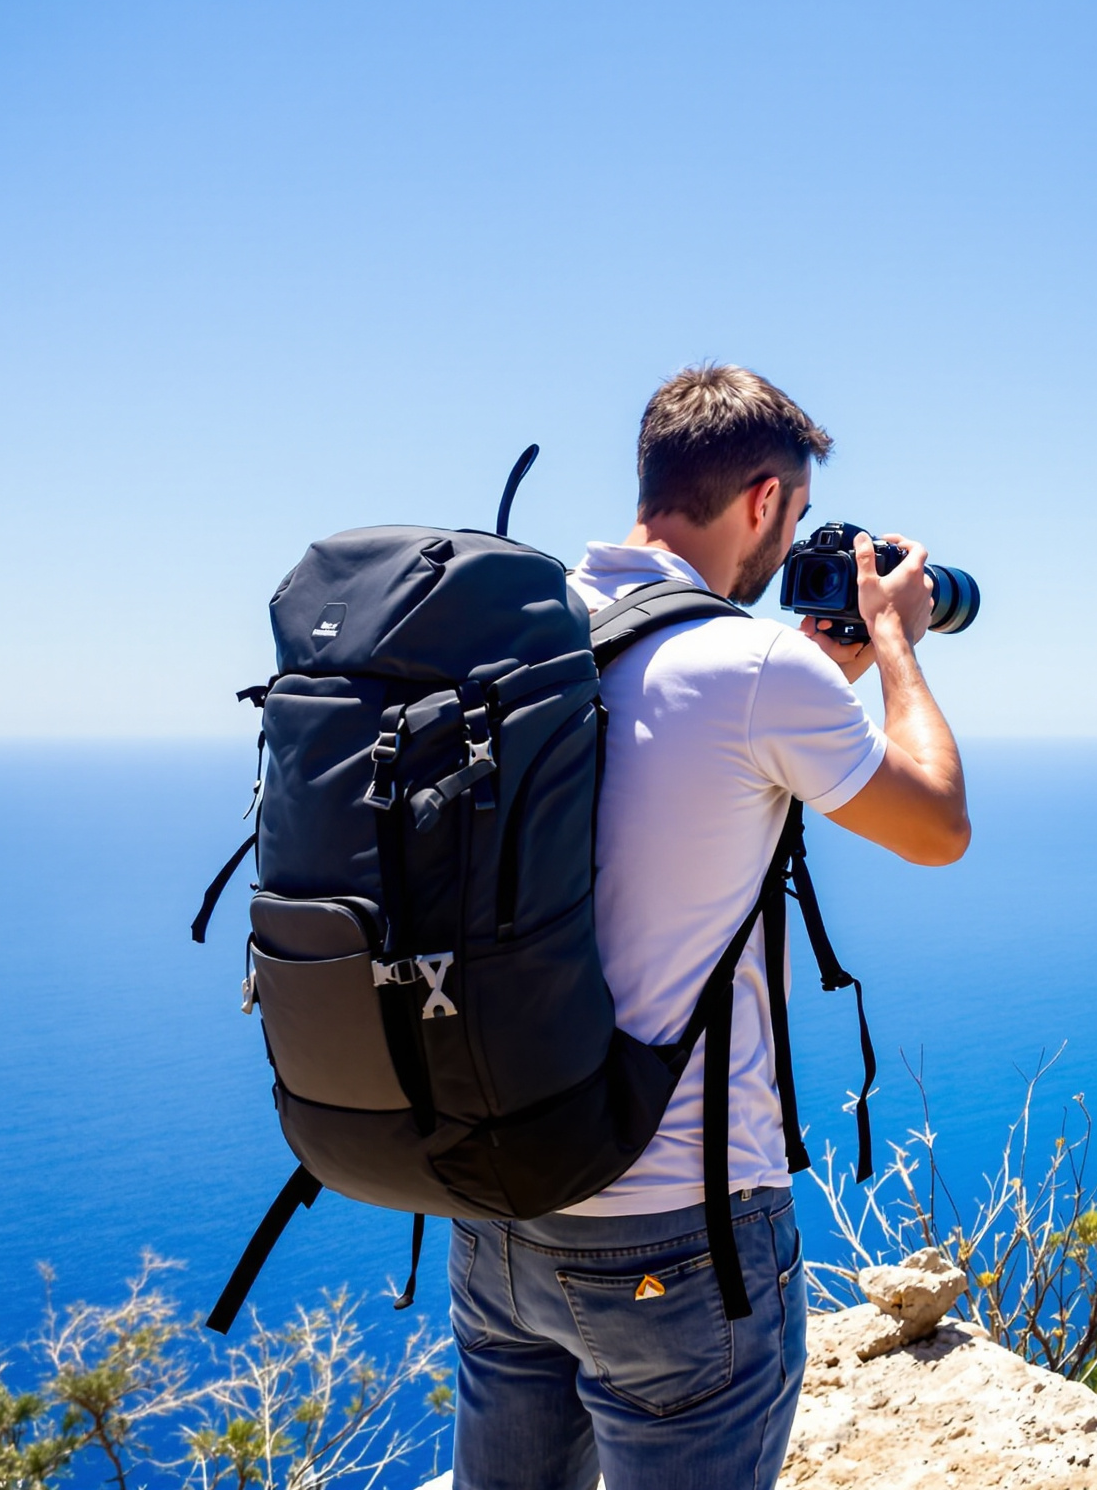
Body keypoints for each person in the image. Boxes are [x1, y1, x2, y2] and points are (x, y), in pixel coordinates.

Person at [446, 365, 971, 1490]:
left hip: (500, 1201)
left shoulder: (520, 631)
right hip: (676, 1235)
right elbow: (936, 826)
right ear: (765, 498)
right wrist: (894, 648)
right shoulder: (754, 667)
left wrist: (803, 681)